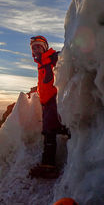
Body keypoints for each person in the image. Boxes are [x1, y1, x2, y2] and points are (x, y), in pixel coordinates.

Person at [29, 35, 70, 178]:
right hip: (47, 102)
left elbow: (65, 59)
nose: (36, 49)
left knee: (49, 130)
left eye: (39, 46)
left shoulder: (52, 57)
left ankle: (48, 165)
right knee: (53, 127)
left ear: (45, 47)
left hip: (54, 99)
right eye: (33, 47)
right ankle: (72, 140)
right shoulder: (41, 63)